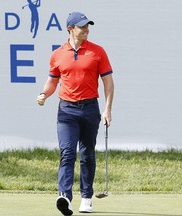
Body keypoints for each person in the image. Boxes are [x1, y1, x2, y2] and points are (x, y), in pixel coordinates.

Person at [37, 12, 114, 215]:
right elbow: (53, 81)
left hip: (90, 108)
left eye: (88, 26)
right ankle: (65, 197)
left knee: (87, 154)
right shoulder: (58, 54)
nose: (86, 29)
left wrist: (107, 109)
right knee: (67, 152)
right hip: (66, 110)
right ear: (70, 28)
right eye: (82, 26)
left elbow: (108, 82)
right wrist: (44, 93)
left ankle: (87, 198)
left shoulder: (98, 52)